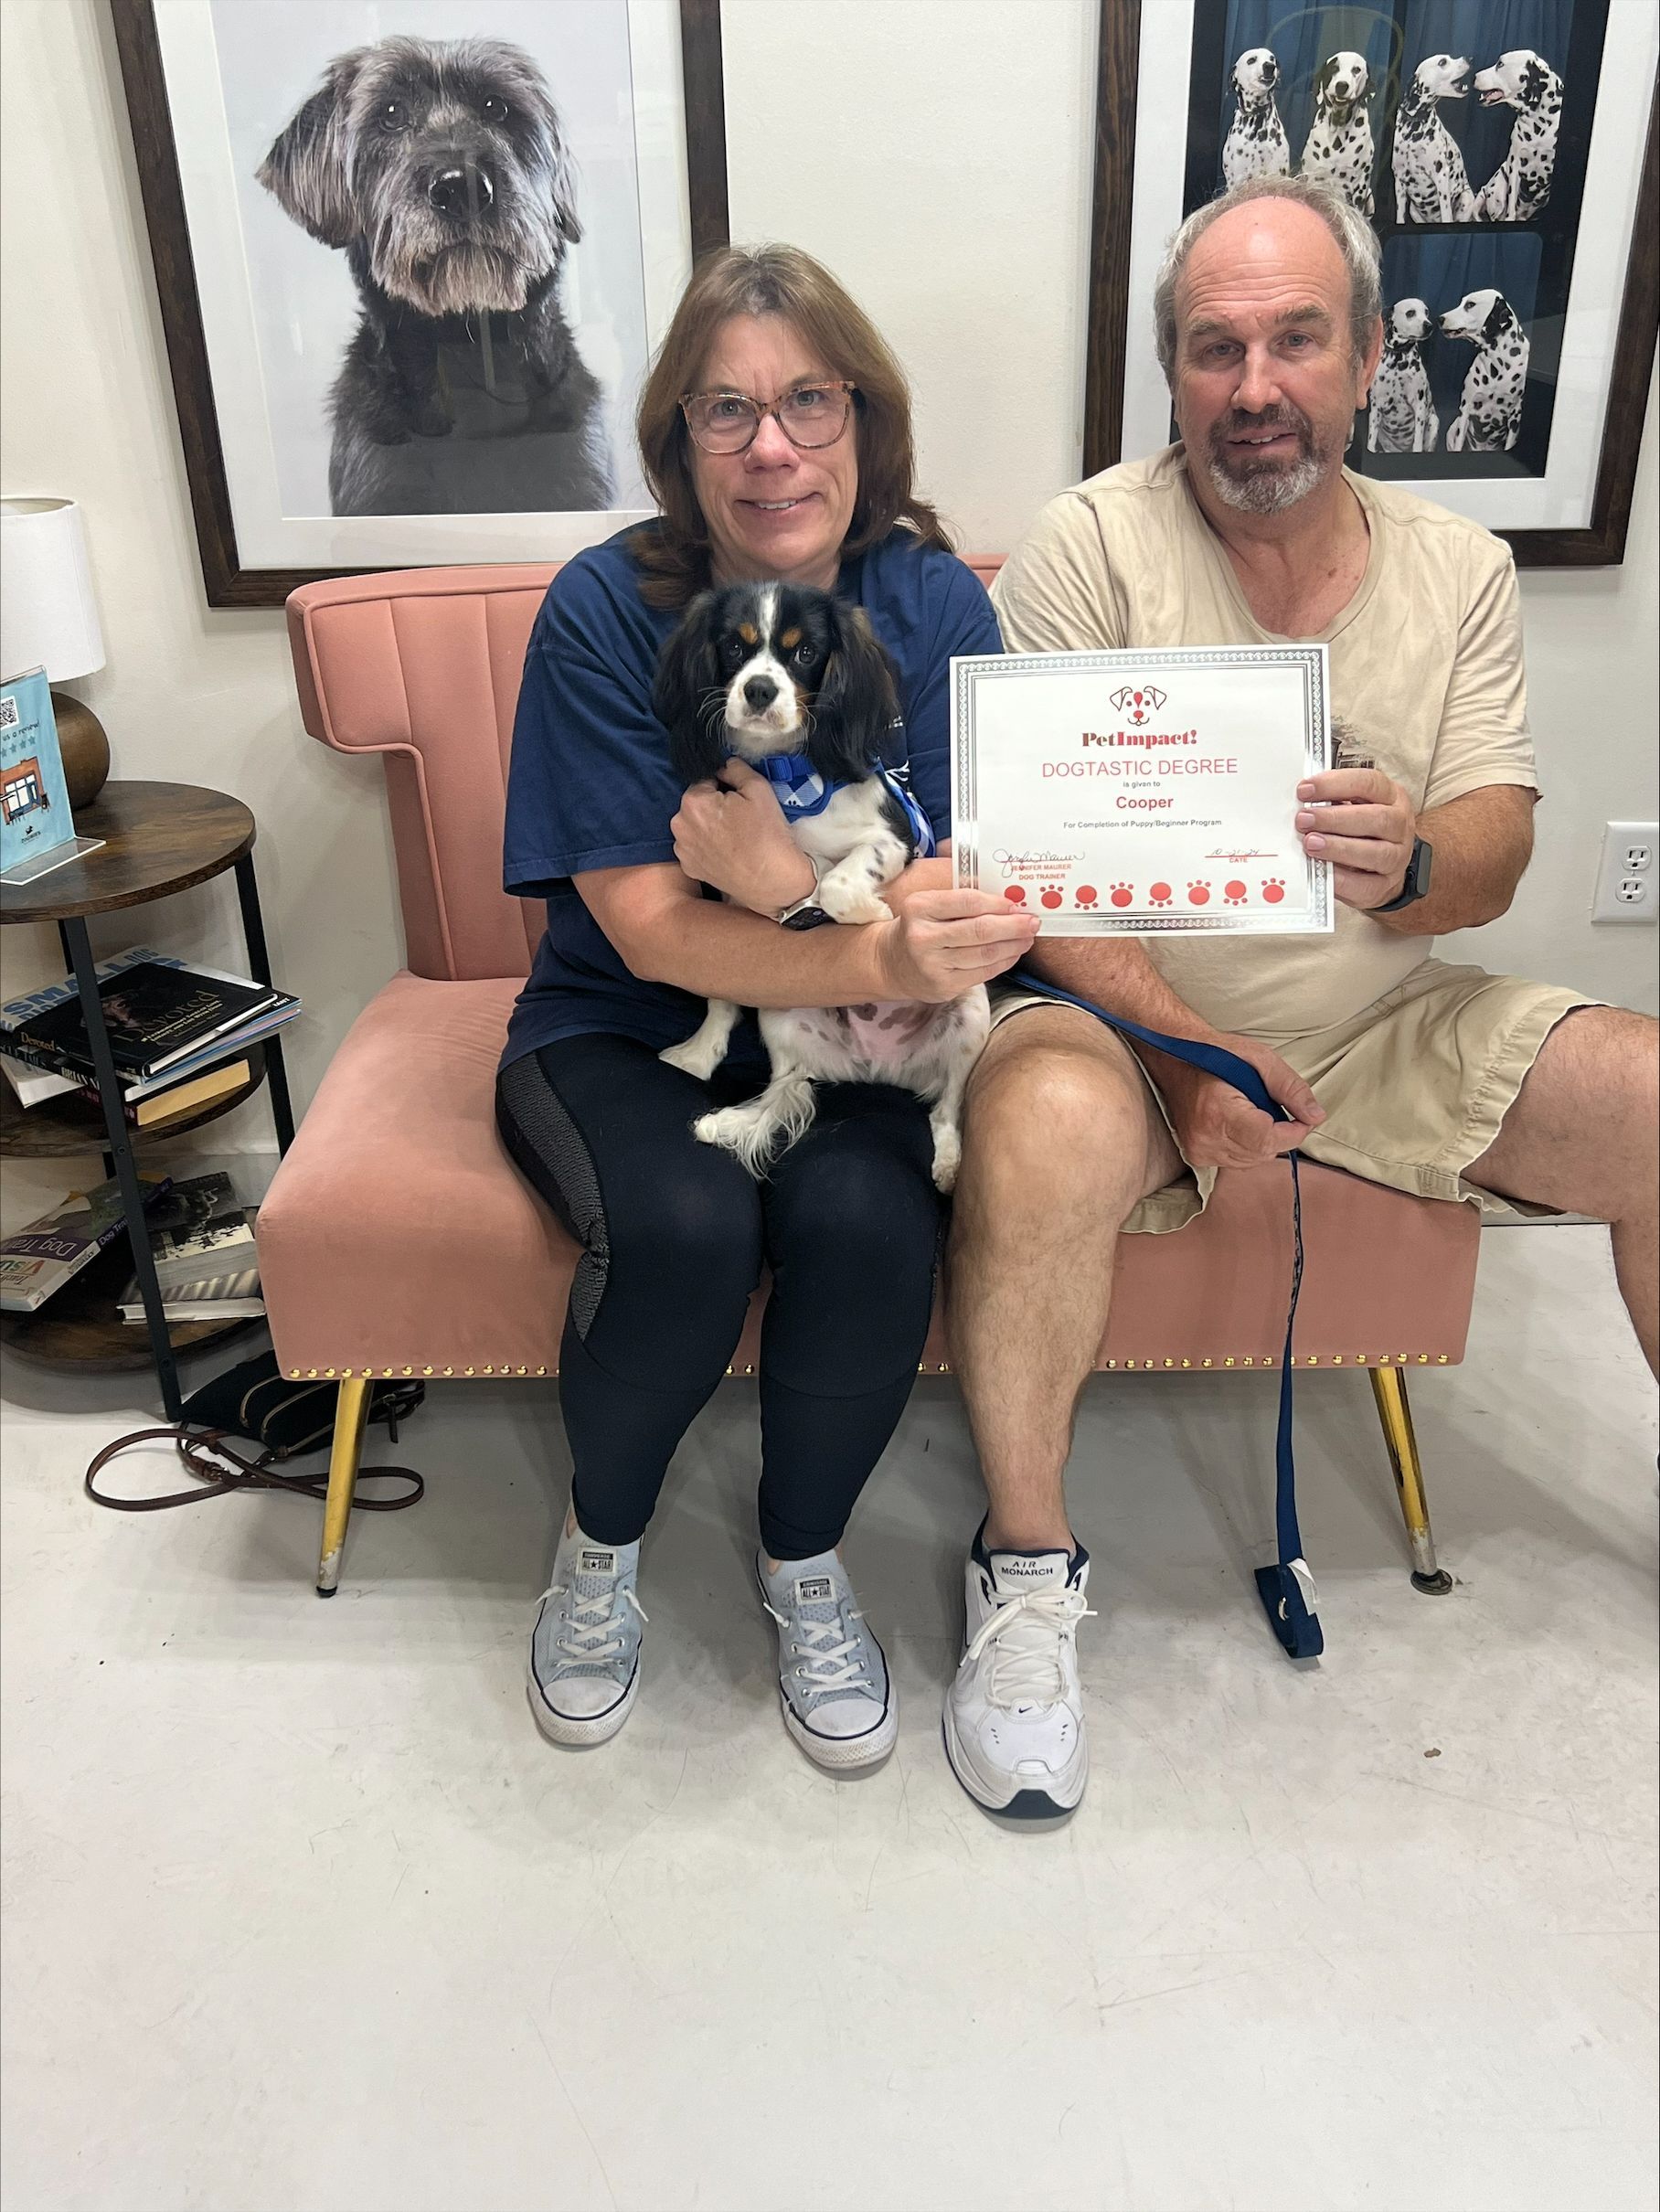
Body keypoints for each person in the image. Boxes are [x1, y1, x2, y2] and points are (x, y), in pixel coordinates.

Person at [942, 175, 1660, 1821]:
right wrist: (1187, 1050)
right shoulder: (1088, 547)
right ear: (1173, 374)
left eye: (1293, 339)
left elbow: (1498, 846)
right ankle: (1029, 1573)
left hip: (1384, 1010)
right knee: (1041, 1123)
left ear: (1370, 352)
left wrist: (1411, 860)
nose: (1253, 385)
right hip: (1124, 1018)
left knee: (1650, 1094)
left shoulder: (1459, 565)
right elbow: (1030, 881)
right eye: (1213, 348)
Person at [495, 246, 1038, 1767]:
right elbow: (653, 932)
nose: (774, 445)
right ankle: (600, 1552)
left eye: (809, 401)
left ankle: (804, 1558)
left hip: (862, 1033)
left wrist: (800, 902)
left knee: (872, 1229)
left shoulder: (932, 606)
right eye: (726, 411)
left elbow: (973, 883)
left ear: (864, 424)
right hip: (625, 1025)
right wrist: (849, 936)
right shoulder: (605, 612)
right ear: (676, 442)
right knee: (685, 1228)